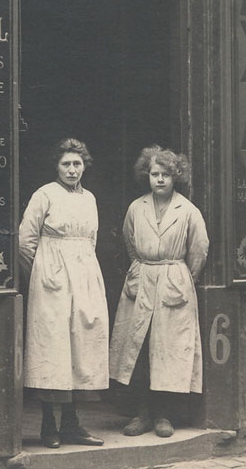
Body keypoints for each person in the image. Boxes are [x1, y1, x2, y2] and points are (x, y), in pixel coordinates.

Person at [108, 146, 209, 438]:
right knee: (139, 349)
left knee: (168, 350)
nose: (160, 180)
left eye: (166, 175)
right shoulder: (136, 208)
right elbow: (129, 243)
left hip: (173, 279)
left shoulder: (188, 211)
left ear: (175, 176)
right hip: (142, 277)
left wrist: (181, 278)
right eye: (155, 174)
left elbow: (199, 250)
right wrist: (144, 268)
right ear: (147, 176)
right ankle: (142, 413)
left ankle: (164, 414)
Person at [18, 138, 109, 448]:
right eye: (66, 164)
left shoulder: (90, 199)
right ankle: (48, 425)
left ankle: (72, 423)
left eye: (77, 164)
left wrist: (82, 272)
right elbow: (25, 241)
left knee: (80, 347)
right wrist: (43, 273)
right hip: (51, 280)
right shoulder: (44, 195)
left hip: (84, 277)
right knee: (52, 350)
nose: (72, 170)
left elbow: (91, 240)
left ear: (85, 166)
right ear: (56, 167)